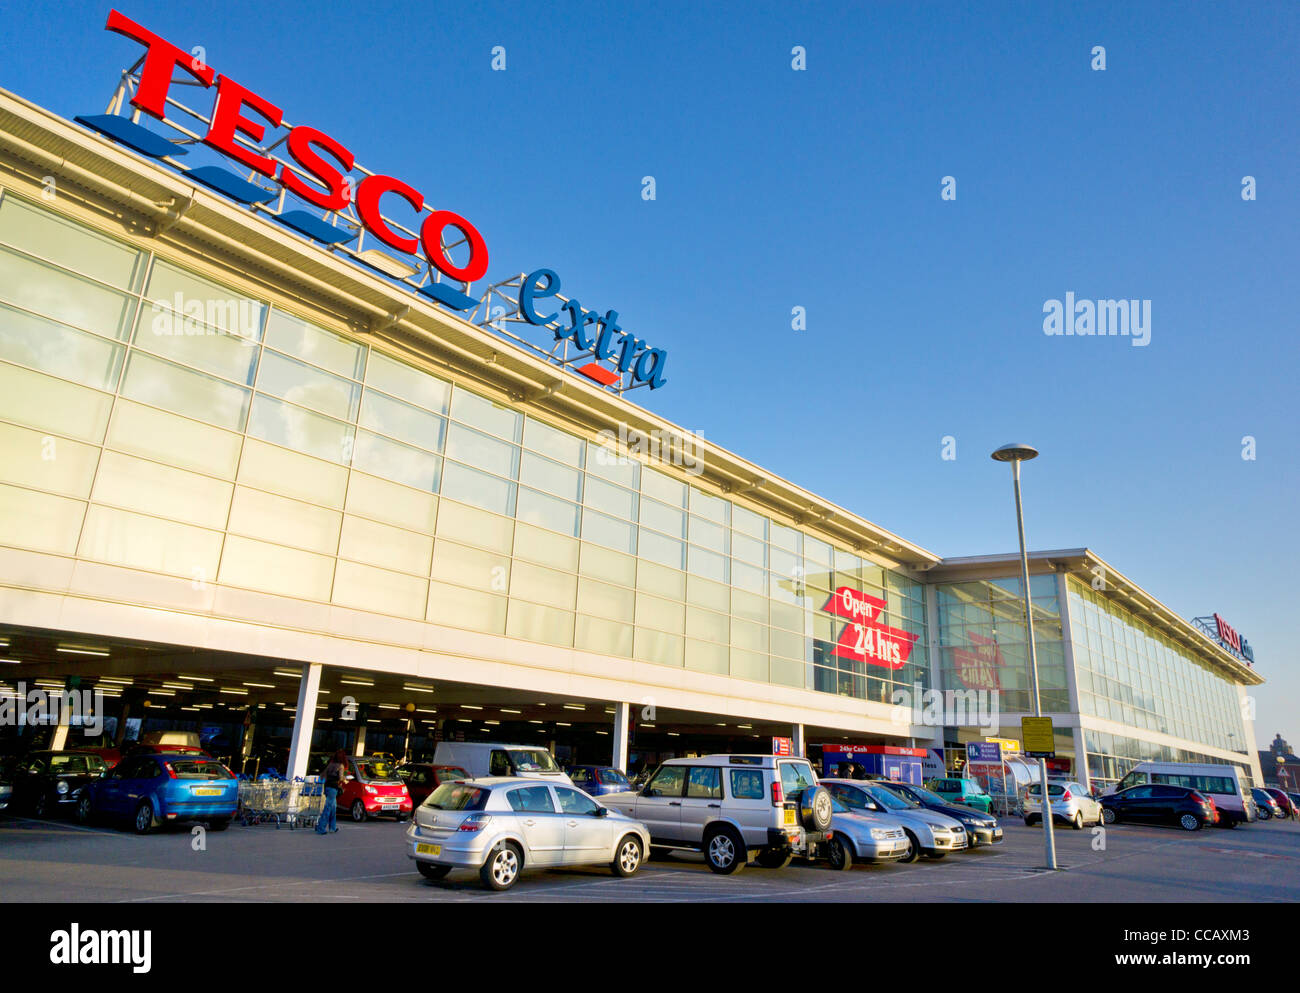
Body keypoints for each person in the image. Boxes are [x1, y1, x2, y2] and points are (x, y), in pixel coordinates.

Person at [317, 749, 347, 835]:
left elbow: (322, 775)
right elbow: (341, 778)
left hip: (327, 787)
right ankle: (321, 828)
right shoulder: (340, 766)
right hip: (333, 788)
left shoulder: (330, 765)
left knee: (333, 808)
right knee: (328, 808)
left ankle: (333, 827)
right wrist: (345, 779)